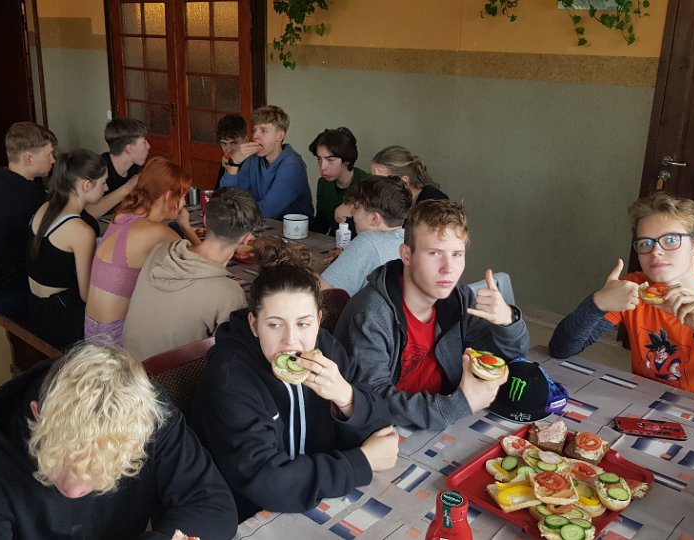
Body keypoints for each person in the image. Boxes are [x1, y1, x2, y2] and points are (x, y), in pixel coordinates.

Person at [0, 344, 237, 539]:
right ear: (38, 415)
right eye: (61, 459)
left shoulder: (148, 418)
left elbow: (211, 503)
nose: (74, 489)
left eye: (99, 474)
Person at [191, 239, 399, 522]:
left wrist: (346, 397)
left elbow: (381, 430)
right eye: (275, 324)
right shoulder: (230, 379)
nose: (290, 341)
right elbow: (266, 479)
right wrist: (362, 462)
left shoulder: (326, 349)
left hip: (321, 497)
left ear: (319, 319)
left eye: (303, 323)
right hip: (252, 516)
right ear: (254, 324)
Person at [549, 192, 694, 428]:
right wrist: (596, 303)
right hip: (640, 409)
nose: (655, 251)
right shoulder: (633, 289)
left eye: (671, 240)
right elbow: (560, 350)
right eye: (645, 243)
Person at [334, 199, 529, 430]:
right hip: (387, 433)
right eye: (434, 253)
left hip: (442, 423)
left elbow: (509, 358)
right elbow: (371, 402)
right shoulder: (370, 315)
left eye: (456, 254)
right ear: (406, 255)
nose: (448, 268)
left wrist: (507, 322)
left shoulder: (460, 299)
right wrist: (459, 405)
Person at [123, 188, 263, 360]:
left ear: (205, 220)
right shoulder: (229, 293)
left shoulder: (160, 251)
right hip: (172, 375)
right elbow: (232, 354)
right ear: (246, 238)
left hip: (129, 364)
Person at [84, 157, 201, 347]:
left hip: (91, 330)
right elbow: (205, 262)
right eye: (182, 196)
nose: (183, 203)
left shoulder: (122, 215)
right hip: (116, 337)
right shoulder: (156, 232)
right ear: (168, 196)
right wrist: (186, 226)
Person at [0, 122, 59, 317]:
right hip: (7, 293)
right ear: (28, 158)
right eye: (49, 154)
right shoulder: (27, 196)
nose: (53, 160)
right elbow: (65, 223)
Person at [26, 150, 107, 349]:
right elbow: (87, 295)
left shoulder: (46, 207)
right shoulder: (81, 231)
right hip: (60, 316)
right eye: (103, 183)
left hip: (35, 304)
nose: (106, 188)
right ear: (86, 185)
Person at [320, 175, 411, 296]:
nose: (352, 214)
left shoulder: (367, 243)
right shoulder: (409, 241)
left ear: (374, 219)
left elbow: (323, 290)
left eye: (356, 208)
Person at [219, 105, 313, 219]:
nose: (255, 136)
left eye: (263, 131)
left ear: (280, 135)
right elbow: (227, 199)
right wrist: (234, 163)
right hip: (260, 224)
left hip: (293, 228)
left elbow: (267, 211)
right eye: (254, 130)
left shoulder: (292, 165)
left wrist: (239, 207)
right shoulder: (253, 159)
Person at [308, 127, 368, 236]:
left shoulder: (368, 185)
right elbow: (321, 225)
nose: (322, 167)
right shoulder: (323, 183)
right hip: (332, 243)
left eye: (330, 160)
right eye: (319, 159)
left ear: (347, 160)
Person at [102, 117, 150, 193]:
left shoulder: (135, 168)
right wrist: (129, 186)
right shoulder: (98, 171)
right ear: (129, 149)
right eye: (144, 142)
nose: (149, 146)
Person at [216, 114, 246, 189]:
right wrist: (227, 170)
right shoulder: (227, 162)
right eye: (224, 143)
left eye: (234, 143)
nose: (229, 150)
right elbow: (218, 192)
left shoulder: (253, 165)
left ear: (245, 140)